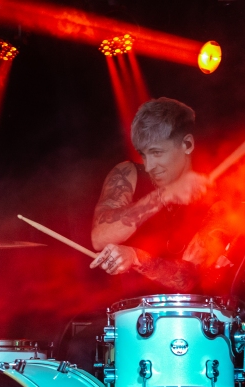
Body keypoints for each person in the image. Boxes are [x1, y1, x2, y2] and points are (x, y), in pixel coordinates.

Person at [89, 97, 236, 294]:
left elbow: (188, 278)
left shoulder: (216, 201)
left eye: (157, 153)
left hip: (182, 312)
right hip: (121, 308)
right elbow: (100, 237)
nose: (149, 166)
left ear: (187, 144)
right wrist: (164, 195)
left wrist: (136, 258)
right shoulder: (128, 173)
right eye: (144, 155)